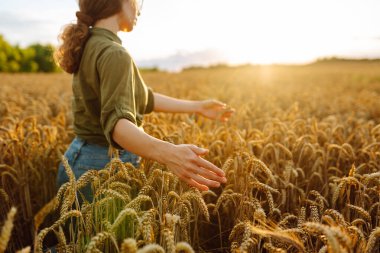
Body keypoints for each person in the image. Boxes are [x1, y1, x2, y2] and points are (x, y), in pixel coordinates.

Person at [55, 0, 235, 202]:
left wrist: (198, 107)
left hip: (77, 160)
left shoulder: (89, 44)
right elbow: (117, 126)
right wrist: (169, 153)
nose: (138, 9)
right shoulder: (114, 53)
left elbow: (143, 97)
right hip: (102, 167)